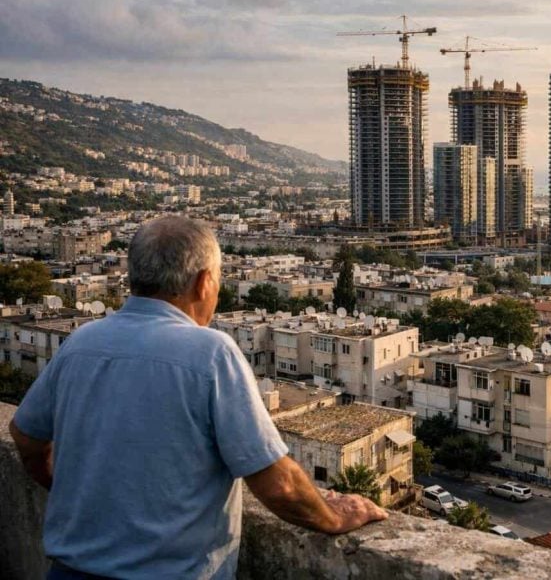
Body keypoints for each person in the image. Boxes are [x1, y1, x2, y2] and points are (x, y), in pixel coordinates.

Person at [9, 216, 387, 579]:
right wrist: (335, 516)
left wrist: (71, 489)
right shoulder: (210, 353)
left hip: (69, 571)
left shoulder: (81, 343)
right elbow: (278, 484)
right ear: (204, 283)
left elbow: (25, 435)